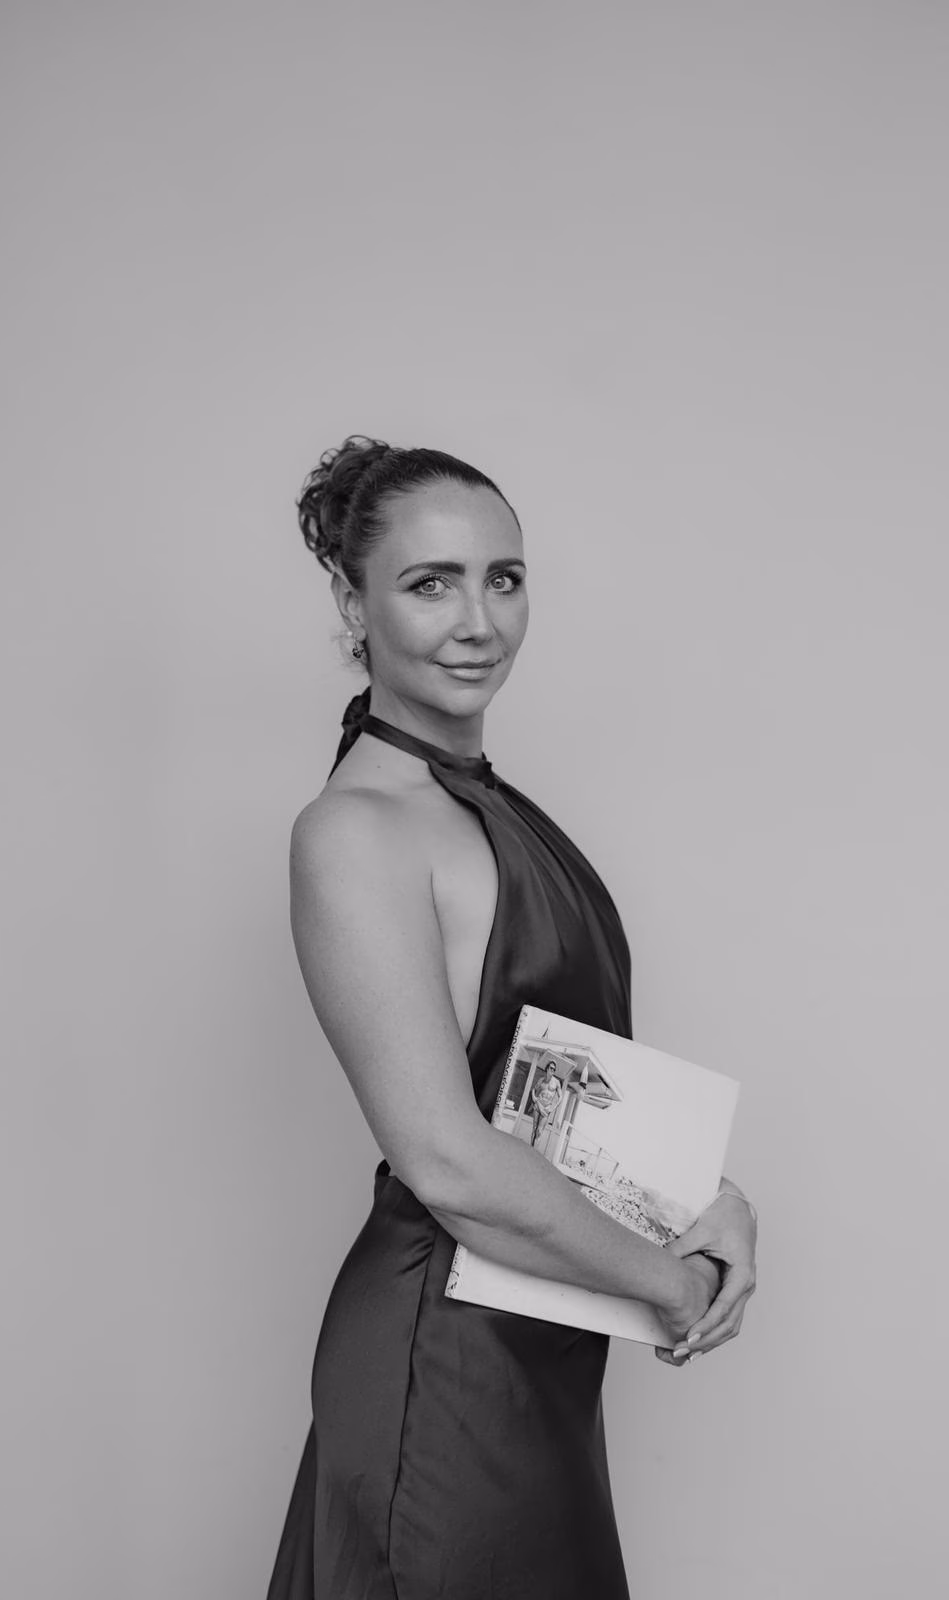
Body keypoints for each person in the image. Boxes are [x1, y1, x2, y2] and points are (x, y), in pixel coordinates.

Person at [266, 435, 758, 1600]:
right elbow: (447, 1156)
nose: (478, 621)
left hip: (538, 1344)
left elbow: (552, 1092)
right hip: (445, 1352)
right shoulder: (355, 832)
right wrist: (666, 1280)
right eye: (430, 583)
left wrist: (707, 1202)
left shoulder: (491, 807)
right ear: (353, 602)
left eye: (504, 578)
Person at [528, 1064, 564, 1148]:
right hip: (538, 1105)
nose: (552, 1070)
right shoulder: (541, 1080)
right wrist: (534, 1097)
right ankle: (530, 1148)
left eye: (554, 1069)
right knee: (534, 1128)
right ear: (547, 1069)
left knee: (539, 1130)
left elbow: (560, 1097)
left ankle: (534, 1150)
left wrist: (553, 1108)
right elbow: (534, 1089)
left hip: (546, 1108)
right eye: (551, 1068)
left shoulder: (556, 1082)